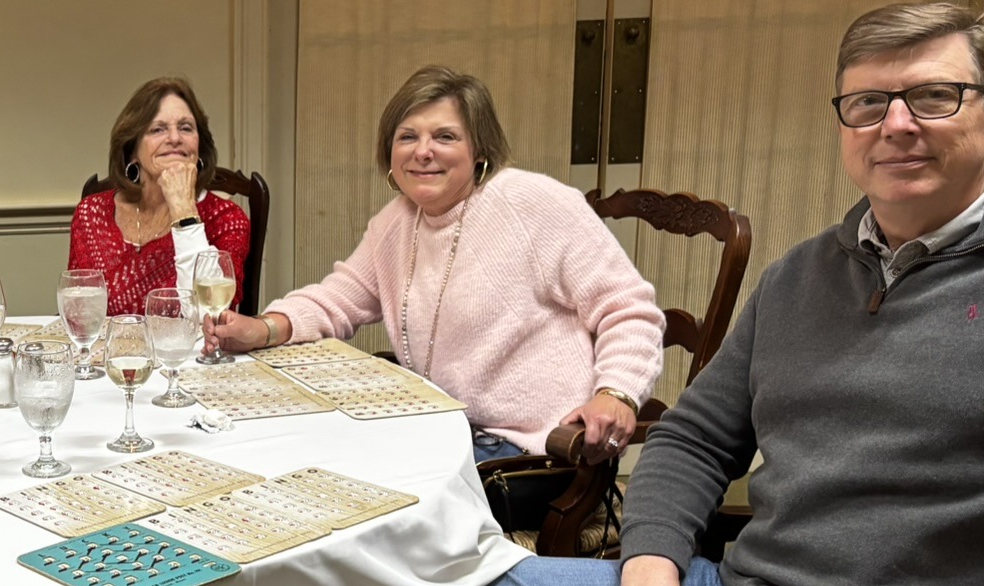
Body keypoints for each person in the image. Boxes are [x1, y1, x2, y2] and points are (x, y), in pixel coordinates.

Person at [331, 4, 984, 586]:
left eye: (933, 97)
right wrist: (650, 573)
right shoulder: (802, 276)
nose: (895, 125)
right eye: (868, 103)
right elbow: (693, 437)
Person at [206, 67, 664, 464]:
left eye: (445, 137)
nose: (423, 151)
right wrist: (262, 328)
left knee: (354, 487)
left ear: (480, 150)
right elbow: (337, 299)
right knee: (298, 454)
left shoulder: (534, 203)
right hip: (442, 431)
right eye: (408, 137)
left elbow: (630, 309)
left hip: (531, 452)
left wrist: (616, 393)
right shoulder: (397, 222)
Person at [69, 76, 253, 316]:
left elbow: (209, 316)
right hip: (108, 343)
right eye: (158, 129)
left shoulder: (227, 219)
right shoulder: (92, 214)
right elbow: (78, 316)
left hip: (190, 342)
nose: (175, 139)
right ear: (132, 149)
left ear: (199, 146)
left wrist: (184, 209)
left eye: (186, 128)